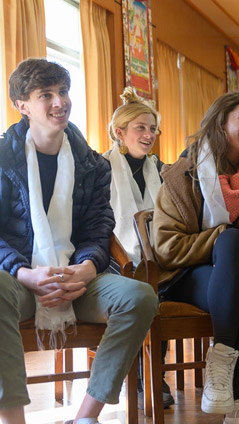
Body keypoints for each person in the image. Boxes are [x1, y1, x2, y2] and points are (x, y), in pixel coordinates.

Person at [0, 58, 157, 424]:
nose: (60, 102)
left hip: (78, 278)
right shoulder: (2, 160)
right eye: (46, 95)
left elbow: (98, 228)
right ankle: (13, 420)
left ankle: (86, 416)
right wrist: (24, 273)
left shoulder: (92, 164)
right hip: (19, 280)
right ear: (22, 106)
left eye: (64, 91)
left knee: (141, 297)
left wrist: (86, 267)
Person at [152, 90, 239, 424]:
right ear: (220, 122)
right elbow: (167, 246)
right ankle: (229, 378)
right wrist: (226, 241)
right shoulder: (181, 174)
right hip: (186, 275)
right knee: (230, 240)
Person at [102, 87, 174, 409]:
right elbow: (99, 226)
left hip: (155, 257)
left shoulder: (161, 169)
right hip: (113, 257)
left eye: (152, 129)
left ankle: (152, 370)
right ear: (120, 132)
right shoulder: (101, 169)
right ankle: (145, 374)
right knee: (144, 279)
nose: (149, 135)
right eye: (141, 128)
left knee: (167, 277)